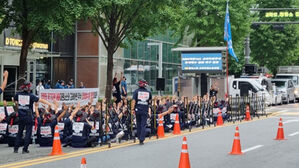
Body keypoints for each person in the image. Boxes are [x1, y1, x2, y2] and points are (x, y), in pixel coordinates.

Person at [13, 81, 54, 154]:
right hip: (28, 116)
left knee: (20, 132)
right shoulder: (31, 96)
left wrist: (17, 105)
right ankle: (25, 149)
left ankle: (16, 148)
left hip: (21, 115)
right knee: (28, 133)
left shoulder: (18, 94)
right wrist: (50, 103)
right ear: (29, 89)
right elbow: (40, 100)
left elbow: (14, 99)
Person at [131, 79, 152, 145]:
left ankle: (139, 136)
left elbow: (133, 101)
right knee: (143, 125)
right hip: (145, 110)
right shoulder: (149, 92)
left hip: (138, 109)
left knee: (138, 124)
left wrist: (132, 109)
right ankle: (141, 139)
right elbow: (150, 101)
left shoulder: (136, 91)